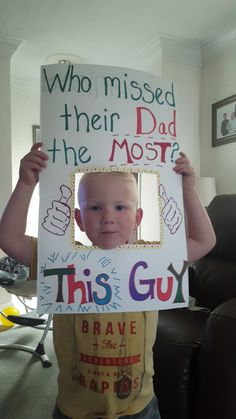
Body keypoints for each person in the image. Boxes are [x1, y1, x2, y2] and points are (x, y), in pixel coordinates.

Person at [0, 143, 216, 419]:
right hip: (76, 408)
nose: (108, 218)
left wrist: (188, 190)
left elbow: (204, 241)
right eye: (95, 208)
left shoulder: (153, 257)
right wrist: (25, 183)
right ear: (78, 218)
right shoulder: (61, 258)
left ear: (138, 218)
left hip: (138, 405)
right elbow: (9, 239)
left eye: (120, 207)